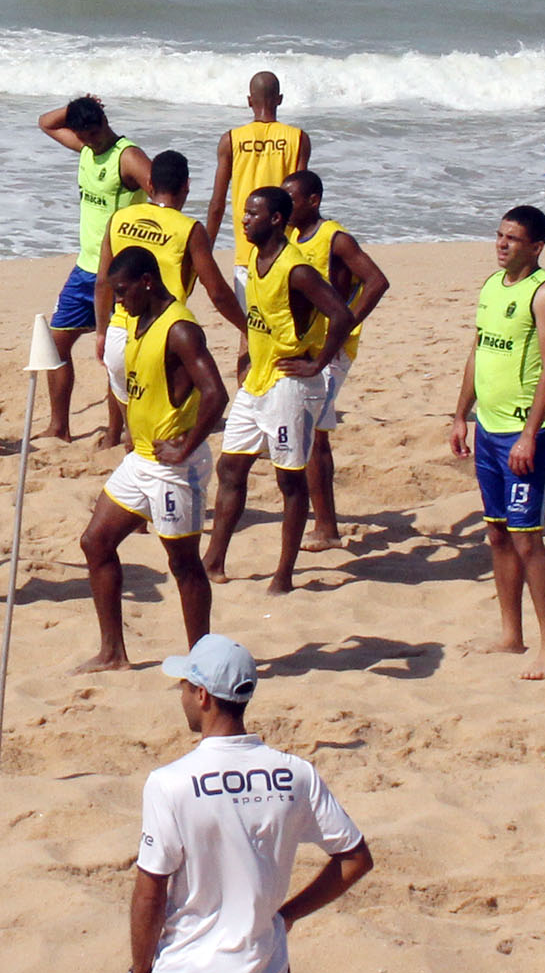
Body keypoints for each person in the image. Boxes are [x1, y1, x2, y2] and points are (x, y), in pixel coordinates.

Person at [129, 634, 372, 973]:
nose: (182, 697)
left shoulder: (170, 783)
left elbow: (149, 894)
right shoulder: (294, 773)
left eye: (185, 687)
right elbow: (355, 858)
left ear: (206, 697)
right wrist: (287, 914)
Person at [77, 247, 230, 673]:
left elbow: (216, 393)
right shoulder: (138, 320)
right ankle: (113, 653)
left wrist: (186, 445)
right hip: (142, 459)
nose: (118, 302)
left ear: (147, 281)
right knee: (96, 542)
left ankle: (202, 659)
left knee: (183, 564)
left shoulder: (179, 329)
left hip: (173, 468)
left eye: (123, 292)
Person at [200, 189, 354, 596]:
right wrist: (250, 352)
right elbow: (258, 317)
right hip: (257, 382)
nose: (245, 219)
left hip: (291, 386)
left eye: (253, 213)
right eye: (244, 211)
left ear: (275, 219)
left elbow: (341, 314)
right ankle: (213, 560)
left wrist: (316, 363)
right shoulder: (253, 257)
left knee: (290, 481)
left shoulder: (296, 269)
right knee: (230, 468)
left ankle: (283, 573)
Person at [450, 207, 545, 680]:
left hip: (530, 433)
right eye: (500, 235)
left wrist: (528, 433)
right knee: (497, 532)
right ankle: (510, 634)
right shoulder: (489, 286)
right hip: (489, 428)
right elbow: (478, 352)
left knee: (527, 539)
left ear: (536, 246)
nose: (502, 244)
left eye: (513, 239)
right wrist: (461, 414)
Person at [283, 171, 391, 550]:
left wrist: (344, 325)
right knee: (310, 433)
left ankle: (326, 528)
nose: (285, 207)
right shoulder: (295, 237)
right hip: (310, 345)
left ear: (312, 200)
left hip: (333, 350)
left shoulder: (336, 238)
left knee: (314, 435)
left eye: (291, 199)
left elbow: (376, 281)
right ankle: (321, 521)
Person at [38, 95, 152, 445]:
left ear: (101, 125)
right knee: (56, 345)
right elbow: (45, 122)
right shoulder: (86, 148)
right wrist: (80, 101)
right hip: (86, 268)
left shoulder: (126, 156)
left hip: (120, 274)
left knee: (115, 354)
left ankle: (119, 431)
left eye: (88, 135)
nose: (83, 143)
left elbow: (162, 193)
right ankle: (60, 427)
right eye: (80, 137)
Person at [90, 148, 244, 406]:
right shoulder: (190, 230)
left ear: (149, 183)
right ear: (187, 185)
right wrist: (246, 327)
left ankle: (116, 437)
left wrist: (101, 333)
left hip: (119, 334)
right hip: (162, 337)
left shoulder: (120, 219)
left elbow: (103, 282)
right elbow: (217, 292)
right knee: (172, 424)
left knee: (135, 420)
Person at [205, 72, 310, 314]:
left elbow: (217, 204)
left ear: (249, 100)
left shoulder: (231, 140)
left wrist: (206, 250)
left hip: (246, 250)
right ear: (280, 99)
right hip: (286, 249)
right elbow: (302, 200)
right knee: (285, 325)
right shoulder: (298, 139)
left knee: (250, 331)